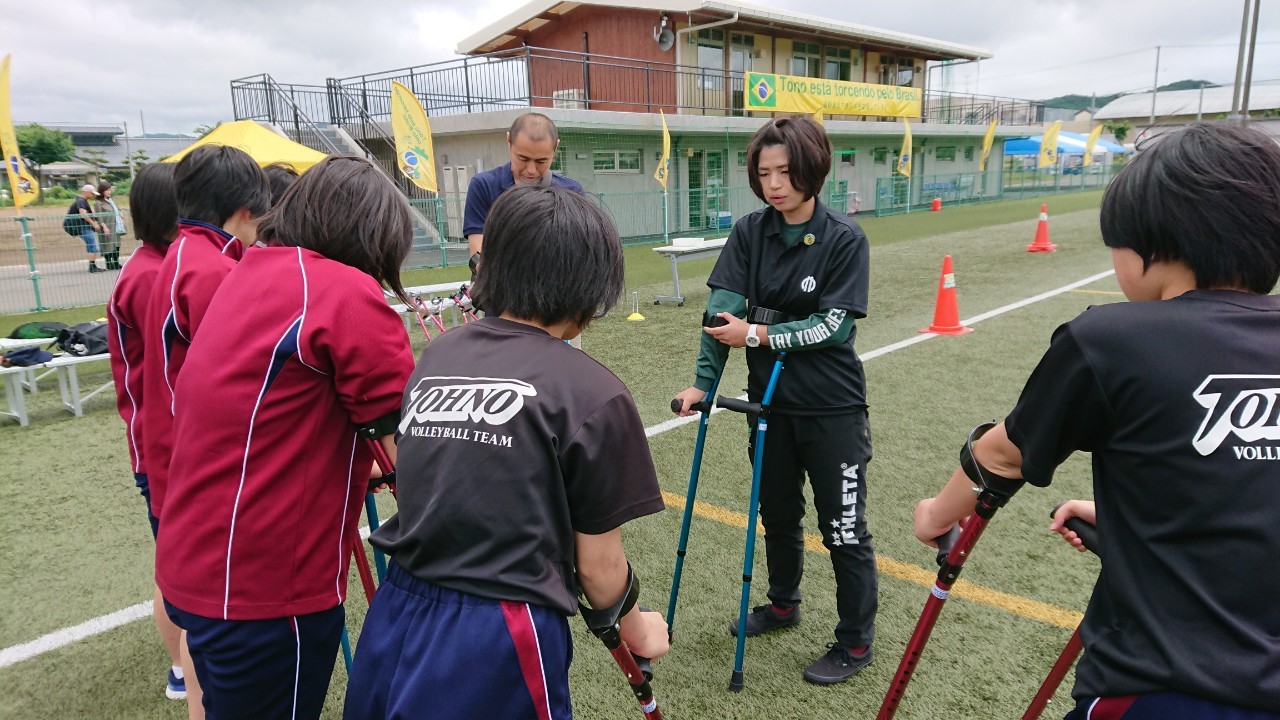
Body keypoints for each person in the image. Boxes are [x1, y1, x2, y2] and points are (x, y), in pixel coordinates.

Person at [913, 123, 1280, 719]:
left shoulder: (1114, 339)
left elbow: (1002, 455)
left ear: (1154, 244)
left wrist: (933, 516)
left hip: (1165, 686)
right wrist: (1125, 519)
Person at [345, 185, 669, 720]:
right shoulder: (593, 392)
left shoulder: (440, 352)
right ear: (589, 285)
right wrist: (638, 628)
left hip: (396, 611)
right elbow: (598, 567)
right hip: (498, 630)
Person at [156, 156, 415, 720]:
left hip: (196, 560)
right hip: (264, 589)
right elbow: (416, 461)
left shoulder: (245, 271)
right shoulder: (343, 293)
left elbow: (273, 413)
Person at [672, 116, 878, 685]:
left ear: (812, 168)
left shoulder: (844, 238)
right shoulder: (749, 232)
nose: (774, 184)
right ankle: (784, 604)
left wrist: (758, 335)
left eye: (785, 172)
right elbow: (720, 315)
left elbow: (832, 327)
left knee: (843, 527)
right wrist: (703, 385)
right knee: (778, 513)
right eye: (763, 174)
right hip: (768, 408)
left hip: (832, 410)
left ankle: (856, 641)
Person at [141, 144, 269, 720]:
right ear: (247, 210)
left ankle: (192, 692)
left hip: (164, 451)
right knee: (217, 627)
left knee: (186, 598)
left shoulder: (171, 256)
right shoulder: (214, 269)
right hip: (196, 465)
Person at [103, 162, 187, 703]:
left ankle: (186, 662)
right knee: (177, 568)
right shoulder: (153, 274)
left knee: (177, 563)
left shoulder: (156, 264)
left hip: (162, 441)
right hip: (161, 446)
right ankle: (184, 667)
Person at [463, 112, 583, 256]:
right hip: (497, 277)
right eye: (523, 158)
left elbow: (579, 251)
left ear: (556, 147)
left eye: (541, 161)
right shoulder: (484, 186)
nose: (531, 170)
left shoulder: (573, 192)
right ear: (509, 141)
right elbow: (478, 252)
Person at [71, 183, 105, 273]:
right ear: (87, 192)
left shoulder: (82, 201)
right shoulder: (81, 201)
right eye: (92, 193)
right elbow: (83, 213)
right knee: (93, 246)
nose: (93, 195)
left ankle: (92, 266)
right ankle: (92, 266)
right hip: (83, 227)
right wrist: (93, 224)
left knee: (91, 246)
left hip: (83, 227)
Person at [93, 181, 126, 270]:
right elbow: (98, 215)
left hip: (115, 225)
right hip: (107, 226)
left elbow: (117, 209)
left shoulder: (112, 200)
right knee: (108, 245)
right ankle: (108, 263)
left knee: (116, 244)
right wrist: (104, 226)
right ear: (102, 191)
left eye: (109, 190)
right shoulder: (98, 202)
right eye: (106, 190)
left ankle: (115, 262)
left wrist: (120, 213)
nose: (109, 192)